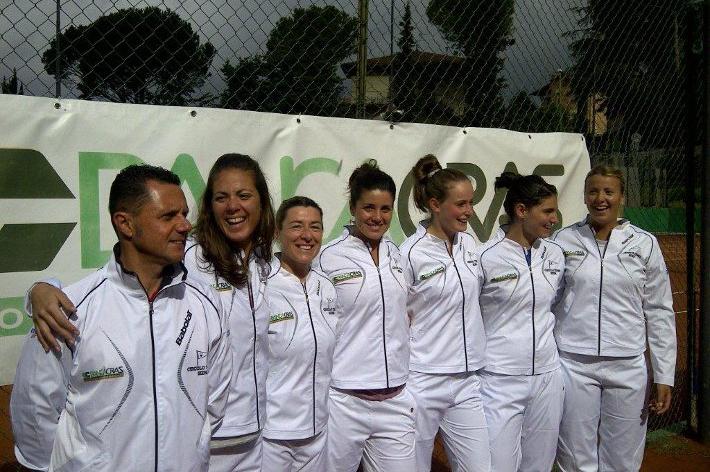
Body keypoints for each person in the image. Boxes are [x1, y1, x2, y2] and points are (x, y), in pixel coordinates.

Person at [26, 153, 276, 472]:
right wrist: (39, 289)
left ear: (262, 202)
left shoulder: (267, 264)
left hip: (251, 437)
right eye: (221, 197)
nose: (233, 206)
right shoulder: (186, 254)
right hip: (211, 445)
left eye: (244, 195)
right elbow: (114, 282)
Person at [553, 165, 676, 472]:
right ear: (584, 196)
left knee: (622, 459)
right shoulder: (563, 240)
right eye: (593, 191)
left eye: (609, 191)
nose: (600, 199)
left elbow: (659, 310)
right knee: (574, 456)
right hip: (574, 363)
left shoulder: (644, 243)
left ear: (621, 197)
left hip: (627, 365)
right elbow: (548, 301)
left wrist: (664, 374)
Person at [316, 160, 415, 472]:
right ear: (353, 208)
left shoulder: (396, 254)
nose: (377, 217)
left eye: (385, 209)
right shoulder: (329, 257)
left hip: (395, 399)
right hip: (345, 400)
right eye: (369, 207)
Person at [399, 155, 490, 472]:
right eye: (461, 204)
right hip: (423, 380)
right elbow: (398, 317)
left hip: (467, 380)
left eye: (471, 203)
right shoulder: (410, 253)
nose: (469, 211)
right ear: (435, 204)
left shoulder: (469, 244)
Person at [474, 172, 565, 472]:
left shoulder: (555, 254)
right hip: (499, 379)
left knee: (539, 465)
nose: (554, 219)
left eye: (555, 211)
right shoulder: (485, 257)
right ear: (522, 210)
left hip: (547, 377)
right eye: (547, 211)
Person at [262, 196, 338, 471]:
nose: (307, 235)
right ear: (277, 232)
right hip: (271, 436)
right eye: (296, 226)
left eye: (315, 227)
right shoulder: (261, 284)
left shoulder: (326, 285)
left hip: (317, 432)